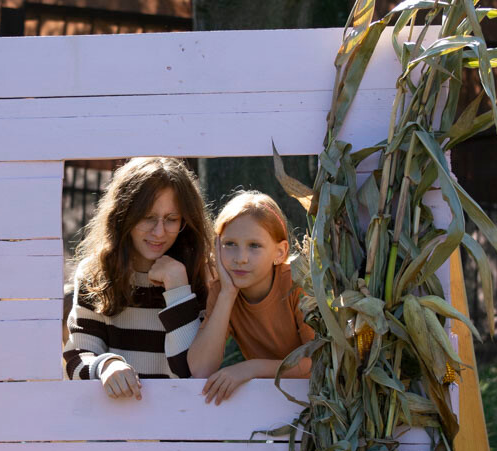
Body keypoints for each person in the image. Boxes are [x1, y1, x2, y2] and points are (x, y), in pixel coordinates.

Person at [64, 157, 213, 399]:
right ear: (123, 215)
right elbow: (77, 359)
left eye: (171, 219)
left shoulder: (201, 275)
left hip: (180, 417)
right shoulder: (94, 274)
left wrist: (178, 288)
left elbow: (191, 373)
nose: (159, 232)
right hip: (113, 419)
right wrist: (107, 365)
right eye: (148, 217)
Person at [189, 191, 315, 405]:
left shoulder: (299, 285)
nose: (241, 259)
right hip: (271, 400)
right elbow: (201, 368)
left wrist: (252, 368)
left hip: (318, 400)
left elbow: (317, 363)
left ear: (280, 252)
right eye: (230, 244)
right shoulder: (223, 290)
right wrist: (227, 295)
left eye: (254, 246)